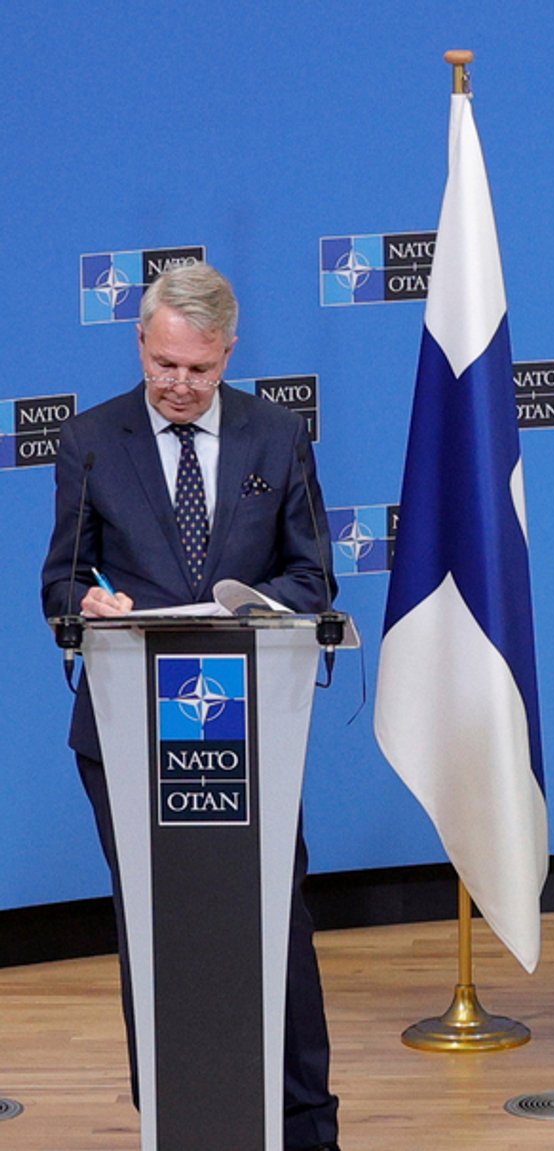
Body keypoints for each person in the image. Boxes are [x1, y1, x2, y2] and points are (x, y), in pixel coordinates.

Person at [40, 263, 342, 1151]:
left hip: (251, 729)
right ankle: (172, 1120)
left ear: (228, 353)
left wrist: (246, 604)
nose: (177, 385)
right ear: (140, 341)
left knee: (275, 927)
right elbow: (63, 577)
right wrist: (86, 606)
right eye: (162, 363)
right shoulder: (91, 440)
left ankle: (307, 1126)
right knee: (154, 927)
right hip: (130, 735)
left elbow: (312, 575)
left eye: (197, 370)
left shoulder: (276, 435)